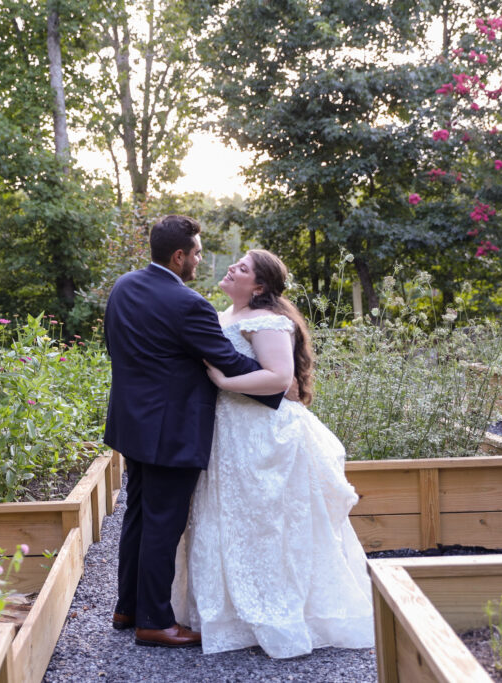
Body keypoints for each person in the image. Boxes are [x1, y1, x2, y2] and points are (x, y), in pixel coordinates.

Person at [171, 249, 374, 657]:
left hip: (262, 434)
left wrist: (223, 383)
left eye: (242, 268)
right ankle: (231, 616)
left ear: (259, 286)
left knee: (267, 523)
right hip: (227, 433)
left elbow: (280, 379)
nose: (232, 268)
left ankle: (277, 612)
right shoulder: (223, 316)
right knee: (227, 517)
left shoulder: (268, 321)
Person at [103, 215, 284, 648]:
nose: (201, 261)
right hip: (172, 429)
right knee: (164, 524)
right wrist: (278, 383)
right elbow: (225, 359)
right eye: (198, 253)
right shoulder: (188, 304)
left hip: (132, 423)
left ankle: (126, 606)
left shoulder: (123, 287)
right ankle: (153, 621)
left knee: (139, 515)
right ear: (179, 256)